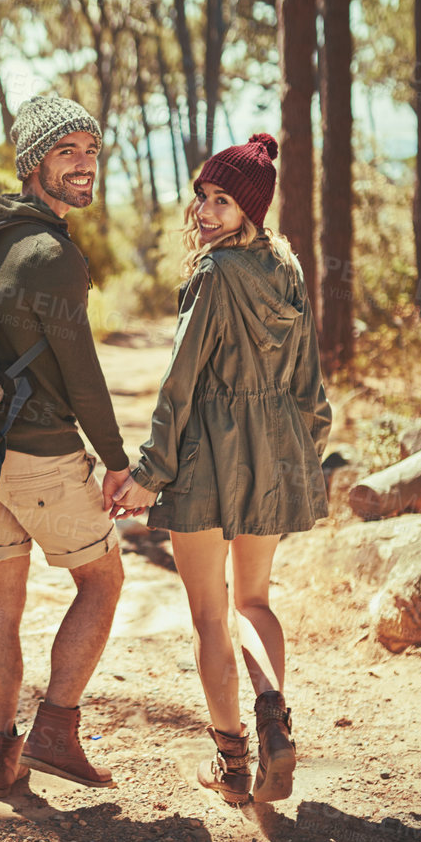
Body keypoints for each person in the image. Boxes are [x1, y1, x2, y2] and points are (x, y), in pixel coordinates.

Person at [112, 133, 332, 806]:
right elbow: (309, 383)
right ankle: (274, 714)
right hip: (274, 450)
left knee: (211, 614)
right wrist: (306, 450)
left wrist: (150, 470)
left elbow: (180, 384)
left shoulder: (211, 276)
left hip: (207, 454)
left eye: (223, 201)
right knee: (255, 601)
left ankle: (234, 763)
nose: (206, 213)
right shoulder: (286, 271)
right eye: (203, 198)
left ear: (251, 210)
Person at [0, 95, 131, 799]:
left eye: (90, 149)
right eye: (67, 152)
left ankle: (3, 756)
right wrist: (118, 460)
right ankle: (55, 729)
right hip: (39, 458)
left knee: (3, 603)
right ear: (34, 165)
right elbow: (81, 374)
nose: (85, 164)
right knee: (104, 579)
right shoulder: (51, 255)